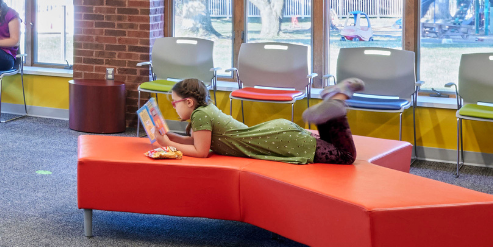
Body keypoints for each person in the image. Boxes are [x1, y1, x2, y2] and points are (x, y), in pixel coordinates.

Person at [151, 77, 365, 164]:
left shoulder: (200, 116)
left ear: (188, 102)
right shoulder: (206, 109)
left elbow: (201, 152)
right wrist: (171, 136)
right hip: (276, 133)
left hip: (278, 140)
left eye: (174, 103)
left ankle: (337, 99)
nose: (173, 106)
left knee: (345, 155)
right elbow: (200, 143)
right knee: (332, 145)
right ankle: (333, 98)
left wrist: (169, 145)